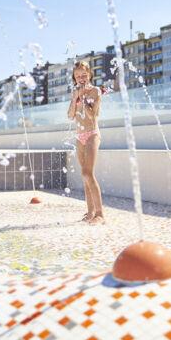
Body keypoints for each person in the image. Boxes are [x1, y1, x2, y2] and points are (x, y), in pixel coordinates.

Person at [67, 61, 104, 224]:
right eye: (77, 76)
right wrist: (75, 98)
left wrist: (82, 98)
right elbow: (70, 115)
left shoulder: (95, 91)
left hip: (92, 134)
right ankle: (90, 213)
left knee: (88, 173)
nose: (80, 79)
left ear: (89, 74)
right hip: (79, 136)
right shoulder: (74, 92)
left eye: (83, 75)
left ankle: (100, 214)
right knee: (85, 176)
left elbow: (92, 116)